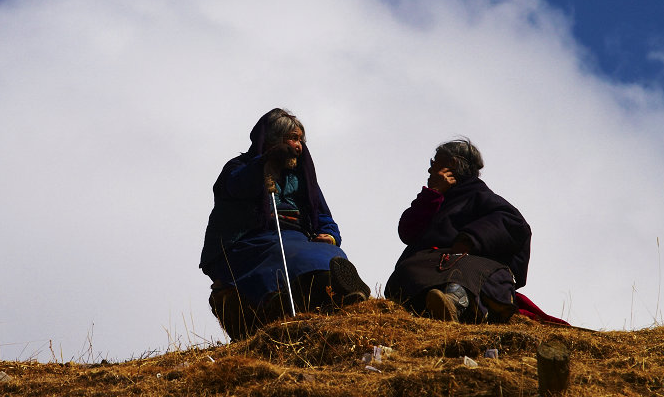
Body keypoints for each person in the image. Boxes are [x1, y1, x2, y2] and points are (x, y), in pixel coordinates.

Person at [200, 108, 370, 339]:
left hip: (297, 237)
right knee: (299, 257)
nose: (298, 146)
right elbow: (236, 186)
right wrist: (266, 163)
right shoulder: (239, 166)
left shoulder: (303, 178)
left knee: (329, 254)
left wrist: (329, 235)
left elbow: (322, 215)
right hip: (251, 241)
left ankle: (346, 293)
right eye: (292, 139)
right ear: (272, 140)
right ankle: (331, 295)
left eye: (300, 140)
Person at [385, 138, 533, 323]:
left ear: (452, 163)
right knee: (408, 268)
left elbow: (515, 224)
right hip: (431, 265)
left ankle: (454, 303)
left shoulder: (480, 196)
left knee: (467, 268)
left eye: (434, 162)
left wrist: (470, 239)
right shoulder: (436, 199)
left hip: (472, 265)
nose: (430, 169)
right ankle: (433, 302)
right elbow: (407, 231)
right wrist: (433, 195)